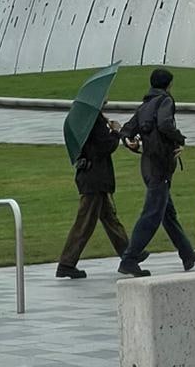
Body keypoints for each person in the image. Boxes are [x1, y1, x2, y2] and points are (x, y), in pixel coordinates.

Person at [116, 68, 195, 278]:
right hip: (160, 166)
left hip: (147, 165)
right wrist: (180, 139)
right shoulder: (165, 101)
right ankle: (130, 259)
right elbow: (165, 124)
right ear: (168, 85)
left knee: (167, 213)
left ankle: (187, 254)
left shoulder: (145, 105)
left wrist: (129, 142)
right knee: (152, 214)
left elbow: (126, 130)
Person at [56, 113, 129, 279]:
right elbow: (106, 146)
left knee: (111, 220)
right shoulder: (93, 119)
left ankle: (129, 255)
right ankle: (66, 263)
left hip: (91, 177)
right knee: (84, 224)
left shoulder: (85, 119)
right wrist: (116, 131)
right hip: (94, 179)